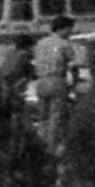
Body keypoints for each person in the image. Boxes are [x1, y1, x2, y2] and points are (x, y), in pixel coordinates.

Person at [31, 15, 80, 146]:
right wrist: (74, 84)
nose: (71, 32)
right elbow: (73, 66)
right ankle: (51, 148)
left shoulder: (40, 44)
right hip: (57, 81)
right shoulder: (64, 44)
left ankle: (40, 144)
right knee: (56, 118)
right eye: (70, 29)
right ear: (62, 29)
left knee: (43, 117)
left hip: (41, 82)